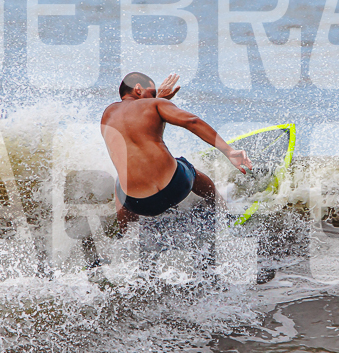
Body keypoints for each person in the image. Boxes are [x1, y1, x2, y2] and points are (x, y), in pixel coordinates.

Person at [101, 71, 252, 235]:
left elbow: (145, 133)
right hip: (176, 186)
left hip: (138, 204)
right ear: (138, 88)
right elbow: (192, 121)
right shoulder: (154, 105)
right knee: (188, 167)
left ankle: (125, 236)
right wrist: (229, 151)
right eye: (152, 93)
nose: (154, 97)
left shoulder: (107, 115)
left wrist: (158, 99)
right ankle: (223, 213)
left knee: (120, 181)